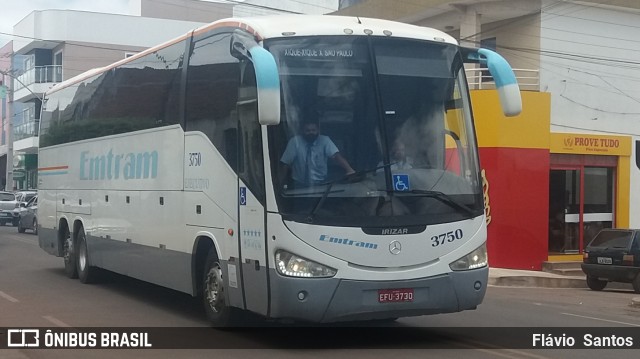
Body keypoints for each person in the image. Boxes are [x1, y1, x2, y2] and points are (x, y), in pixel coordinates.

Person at [280, 121, 355, 187]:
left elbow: (336, 156)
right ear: (302, 131)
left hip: (321, 184)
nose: (311, 133)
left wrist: (349, 170)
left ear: (318, 130)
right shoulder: (295, 142)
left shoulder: (325, 140)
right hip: (299, 184)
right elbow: (286, 163)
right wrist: (280, 182)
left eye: (313, 130)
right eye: (308, 130)